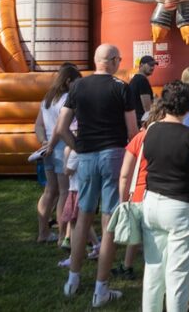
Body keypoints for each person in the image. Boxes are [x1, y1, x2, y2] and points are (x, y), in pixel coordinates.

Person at [55, 44, 137, 305]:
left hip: (87, 155)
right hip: (113, 153)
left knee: (83, 217)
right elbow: (133, 131)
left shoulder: (78, 86)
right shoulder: (121, 87)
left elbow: (61, 126)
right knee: (109, 219)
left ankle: (73, 279)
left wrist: (76, 145)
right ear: (112, 61)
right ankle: (101, 289)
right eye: (119, 59)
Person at [141, 81, 189, 312]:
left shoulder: (150, 131)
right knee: (178, 275)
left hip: (152, 202)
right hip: (182, 207)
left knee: (153, 269)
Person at [111, 100, 167, 280]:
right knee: (158, 236)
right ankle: (161, 268)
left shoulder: (139, 138)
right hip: (161, 192)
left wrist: (123, 199)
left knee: (134, 233)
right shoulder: (170, 137)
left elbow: (125, 174)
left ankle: (127, 266)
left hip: (138, 194)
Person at [35, 63, 81, 243]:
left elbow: (38, 125)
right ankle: (63, 235)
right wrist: (52, 144)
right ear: (68, 81)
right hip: (61, 148)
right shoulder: (67, 99)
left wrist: (44, 143)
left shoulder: (48, 99)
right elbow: (59, 127)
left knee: (50, 191)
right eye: (76, 82)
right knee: (63, 192)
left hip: (47, 150)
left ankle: (43, 232)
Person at [129, 55, 156, 122]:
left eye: (153, 65)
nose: (152, 67)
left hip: (135, 119)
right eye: (150, 65)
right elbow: (147, 108)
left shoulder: (135, 79)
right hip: (142, 121)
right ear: (141, 65)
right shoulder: (142, 80)